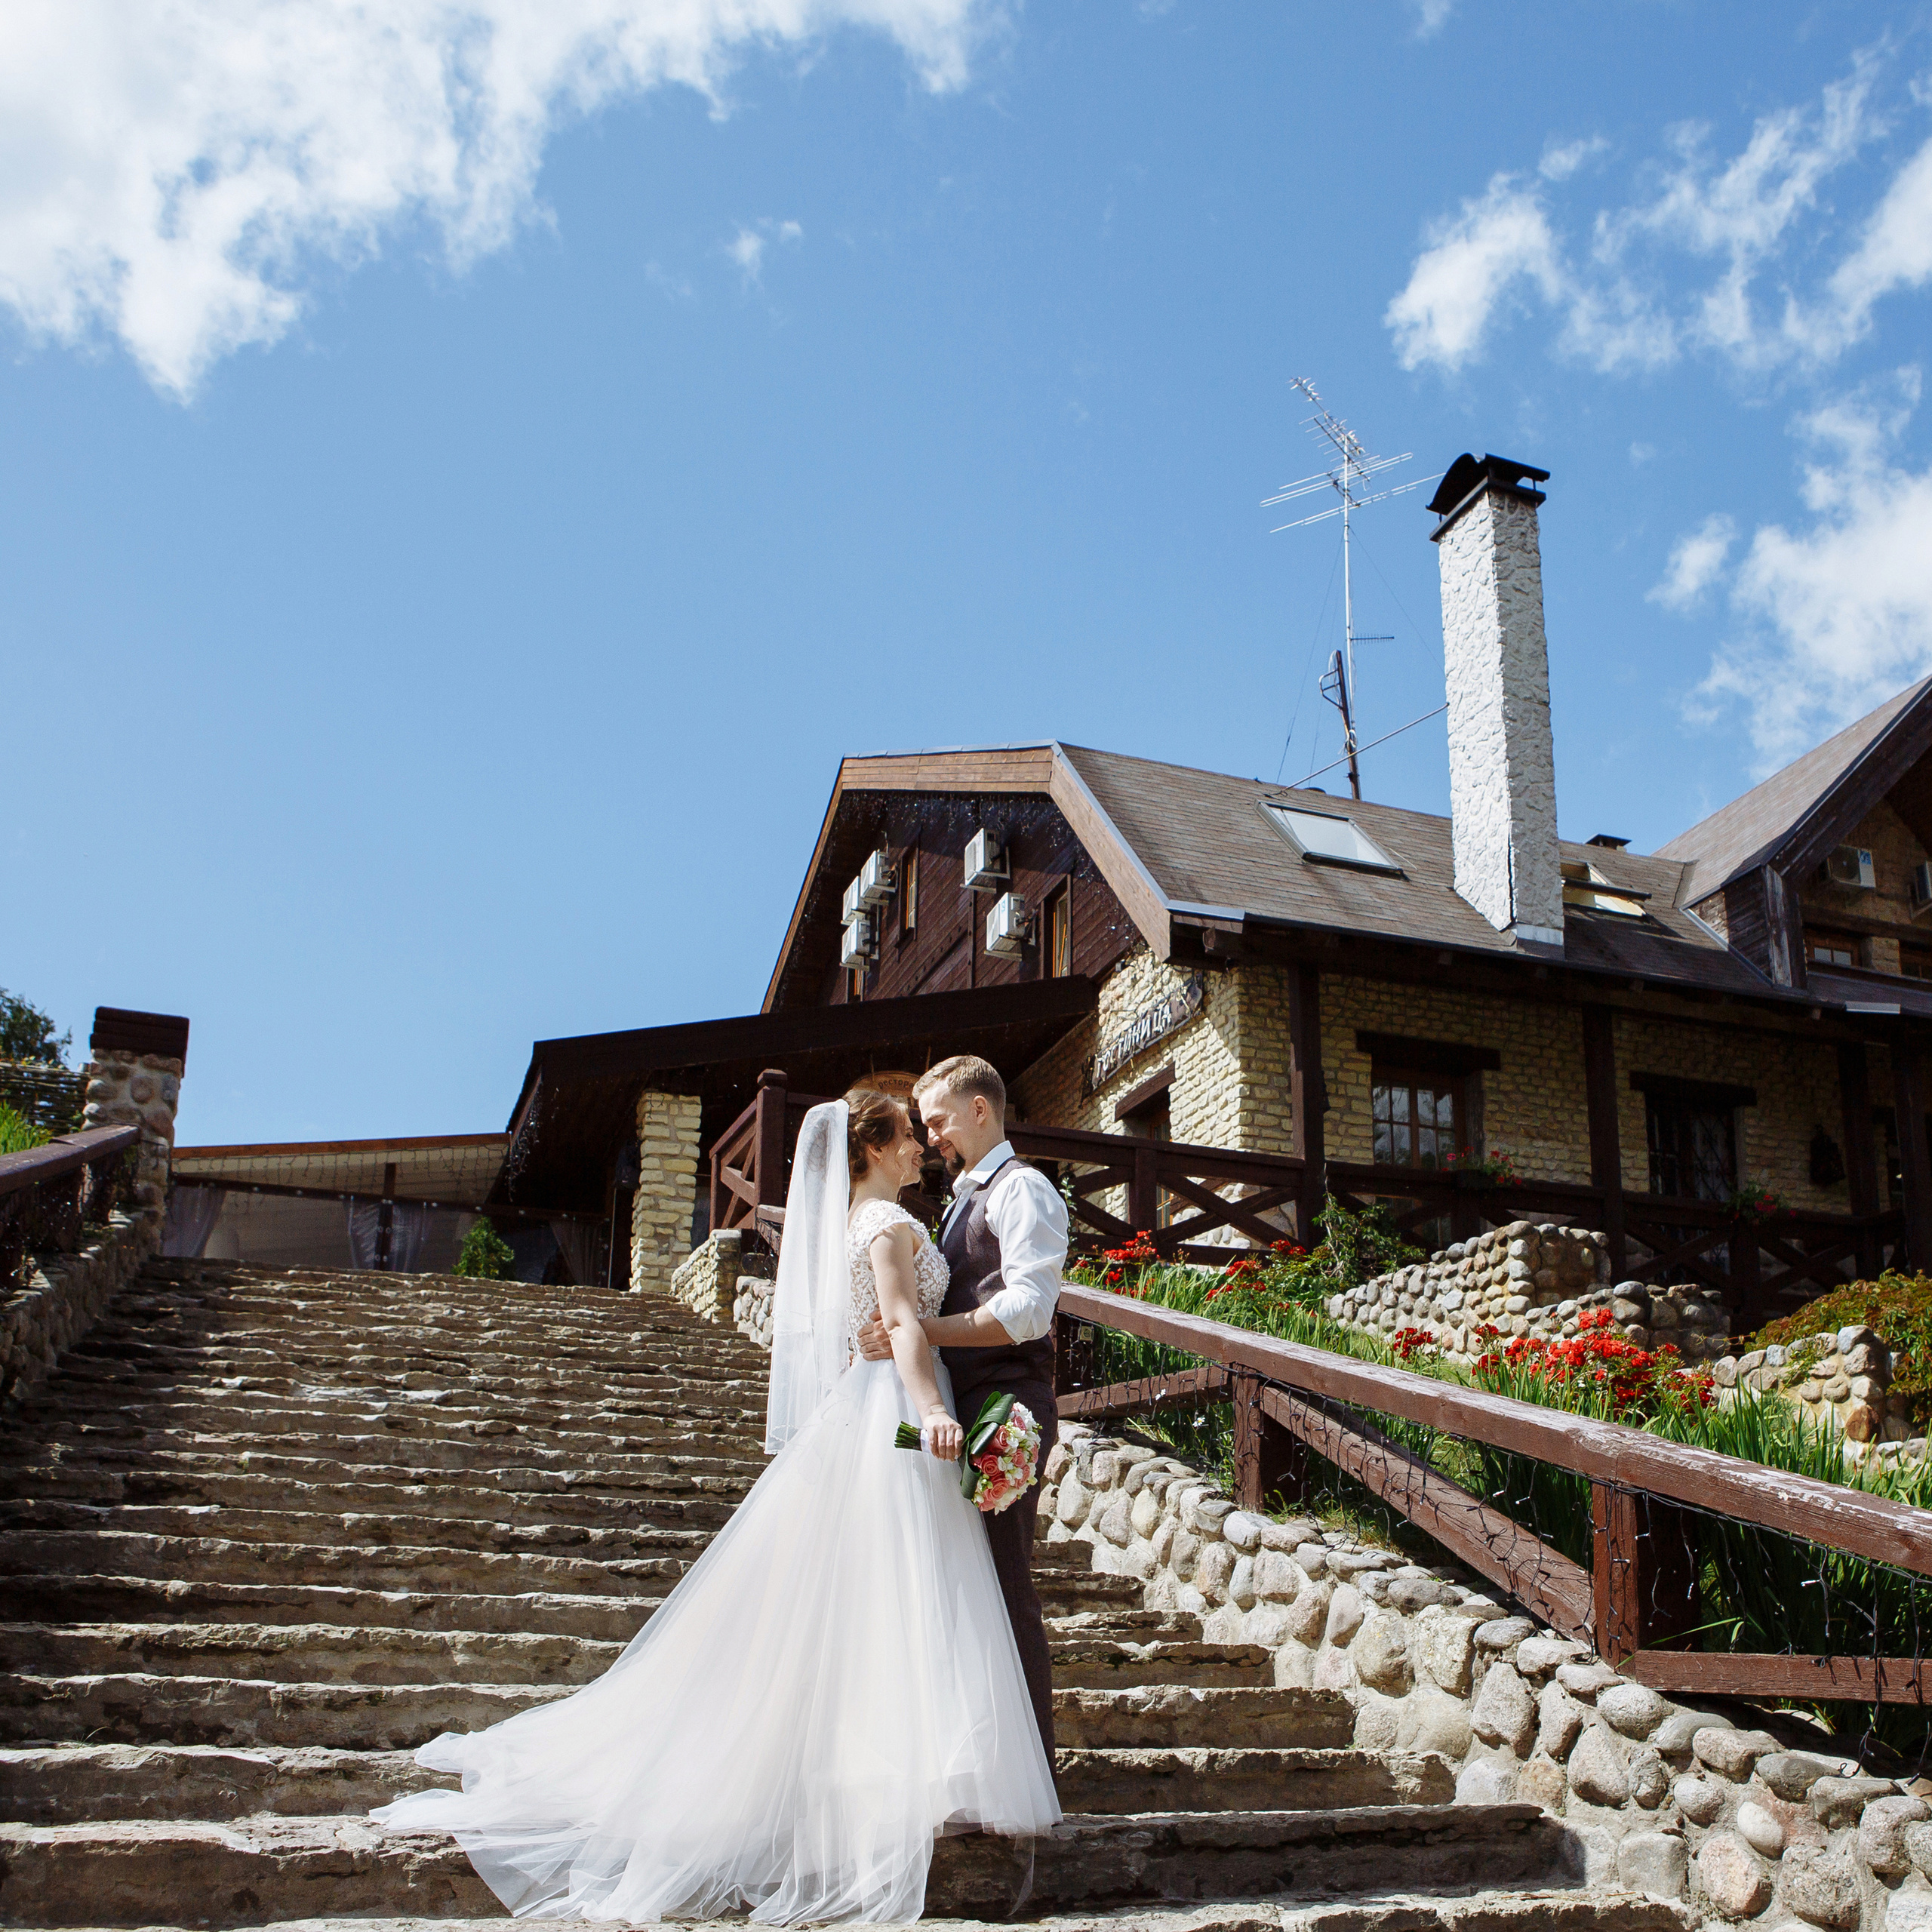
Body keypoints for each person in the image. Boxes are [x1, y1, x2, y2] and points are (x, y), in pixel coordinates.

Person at [371, 1087, 1060, 1924]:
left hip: (872, 1404)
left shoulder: (862, 1220)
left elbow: (890, 1324)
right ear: (876, 1150)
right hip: (897, 1409)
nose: (923, 1145)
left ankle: (897, 1770)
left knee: (883, 1596)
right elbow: (901, 1324)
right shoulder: (885, 1223)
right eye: (909, 1135)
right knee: (909, 1590)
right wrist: (934, 1409)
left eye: (927, 1130)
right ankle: (904, 1775)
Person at [855, 1054, 1067, 1758]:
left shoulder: (1022, 1188)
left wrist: (916, 1330)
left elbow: (1029, 1310)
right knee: (962, 1587)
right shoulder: (958, 1201)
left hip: (1006, 1405)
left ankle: (1030, 1768)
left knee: (1004, 1584)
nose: (931, 1137)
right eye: (921, 1126)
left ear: (980, 1110)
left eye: (939, 1120)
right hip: (955, 1404)